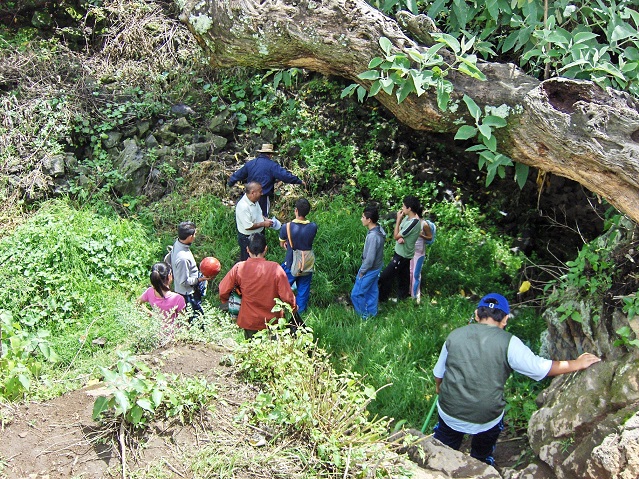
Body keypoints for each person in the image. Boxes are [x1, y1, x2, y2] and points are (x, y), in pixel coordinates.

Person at [432, 293, 601, 466]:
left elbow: (439, 375)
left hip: (450, 410)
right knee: (484, 447)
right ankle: (481, 461)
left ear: (476, 315)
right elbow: (539, 368)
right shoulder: (509, 343)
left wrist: (439, 388)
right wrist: (577, 363)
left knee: (444, 443)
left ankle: (439, 458)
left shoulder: (454, 335)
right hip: (486, 416)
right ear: (505, 319)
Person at [218, 233, 297, 339]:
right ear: (265, 249)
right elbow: (287, 297)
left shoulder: (239, 268)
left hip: (249, 321)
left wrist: (226, 300)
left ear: (247, 249)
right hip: (272, 322)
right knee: (272, 348)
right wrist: (293, 307)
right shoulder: (275, 268)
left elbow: (223, 290)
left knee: (250, 347)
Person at [228, 143, 305, 217]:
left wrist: (230, 183)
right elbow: (285, 176)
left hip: (249, 195)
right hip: (262, 197)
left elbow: (238, 175)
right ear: (270, 155)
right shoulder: (272, 165)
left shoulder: (251, 163)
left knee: (248, 216)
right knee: (262, 218)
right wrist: (299, 181)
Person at [378, 195, 422, 302]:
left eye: (403, 206)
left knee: (385, 276)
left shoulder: (414, 223)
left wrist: (398, 219)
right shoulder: (407, 218)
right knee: (403, 277)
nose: (402, 208)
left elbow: (396, 235)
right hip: (401, 252)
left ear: (409, 208)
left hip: (403, 255)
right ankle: (401, 299)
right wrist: (400, 237)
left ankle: (382, 299)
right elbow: (400, 234)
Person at [279, 198, 318, 314]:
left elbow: (282, 243)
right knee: (303, 289)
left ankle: (280, 309)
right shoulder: (313, 227)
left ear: (296, 210)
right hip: (306, 263)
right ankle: (300, 314)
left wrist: (286, 244)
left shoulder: (286, 227)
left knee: (283, 287)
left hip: (291, 263)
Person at [170, 221, 211, 321]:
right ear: (189, 237)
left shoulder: (178, 243)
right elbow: (184, 281)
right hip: (188, 294)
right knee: (196, 319)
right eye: (194, 234)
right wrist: (200, 279)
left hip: (186, 289)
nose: (195, 236)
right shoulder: (183, 258)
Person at [350, 205, 386, 319]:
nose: (361, 219)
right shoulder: (379, 230)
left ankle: (363, 317)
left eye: (363, 217)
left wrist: (362, 272)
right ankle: (372, 313)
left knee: (356, 294)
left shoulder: (373, 236)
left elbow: (369, 259)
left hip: (370, 268)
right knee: (372, 291)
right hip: (377, 267)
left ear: (369, 220)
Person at [137, 262, 186, 336]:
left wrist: (151, 314)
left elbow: (138, 303)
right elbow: (184, 322)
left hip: (157, 334)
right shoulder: (178, 299)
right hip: (174, 337)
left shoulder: (149, 291)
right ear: (169, 276)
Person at [235, 182, 273, 262]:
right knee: (247, 259)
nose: (262, 193)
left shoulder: (254, 201)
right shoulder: (243, 207)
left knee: (259, 256)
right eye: (260, 191)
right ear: (253, 193)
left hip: (259, 233)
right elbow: (248, 226)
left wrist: (265, 219)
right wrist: (264, 224)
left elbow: (258, 213)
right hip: (247, 237)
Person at [410, 209, 436, 303]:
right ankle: (410, 293)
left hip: (419, 253)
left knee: (416, 274)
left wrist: (421, 235)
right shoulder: (411, 222)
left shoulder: (424, 224)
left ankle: (416, 297)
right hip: (410, 251)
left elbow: (430, 237)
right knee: (410, 272)